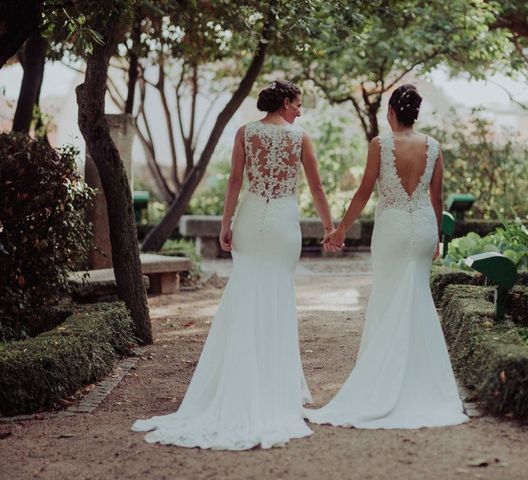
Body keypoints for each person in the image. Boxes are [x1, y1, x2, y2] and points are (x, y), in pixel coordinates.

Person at [132, 80, 336, 450]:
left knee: (244, 294)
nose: (300, 111)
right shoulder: (299, 137)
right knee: (277, 295)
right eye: (298, 104)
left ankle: (240, 378)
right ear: (285, 103)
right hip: (282, 226)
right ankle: (275, 384)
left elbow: (236, 181)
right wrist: (328, 226)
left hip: (251, 218)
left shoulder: (244, 133)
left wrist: (226, 224)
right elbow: (318, 189)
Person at [304, 84, 470, 429]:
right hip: (423, 226)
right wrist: (437, 236)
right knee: (416, 298)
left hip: (393, 227)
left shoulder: (381, 144)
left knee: (388, 297)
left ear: (392, 111)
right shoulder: (434, 147)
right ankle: (421, 381)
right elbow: (436, 197)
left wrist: (340, 230)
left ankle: (383, 378)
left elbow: (365, 191)